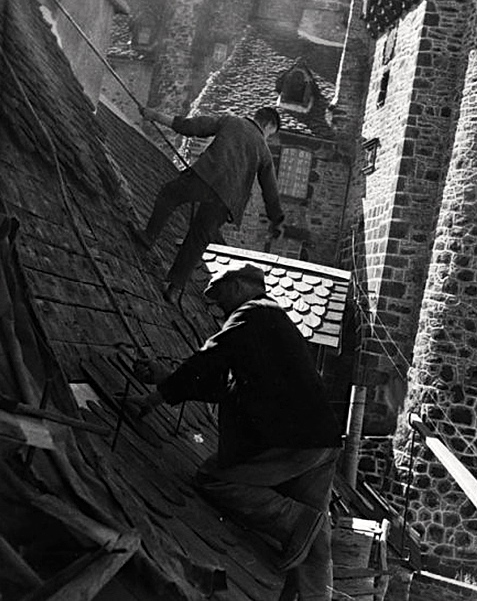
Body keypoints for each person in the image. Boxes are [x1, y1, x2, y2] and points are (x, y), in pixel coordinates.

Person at [131, 263, 343, 600]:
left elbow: (207, 362)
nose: (220, 307)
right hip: (321, 441)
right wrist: (164, 380)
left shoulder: (251, 314)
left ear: (240, 286)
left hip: (292, 443)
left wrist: (156, 397)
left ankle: (294, 521)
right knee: (316, 539)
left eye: (221, 295)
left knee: (215, 478)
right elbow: (225, 386)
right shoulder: (273, 321)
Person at [129, 106, 285, 304]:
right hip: (227, 201)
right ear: (269, 125)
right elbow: (270, 189)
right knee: (199, 238)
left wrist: (155, 116)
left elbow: (193, 126)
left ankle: (148, 236)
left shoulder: (231, 121)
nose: (269, 136)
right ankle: (174, 287)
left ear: (257, 116)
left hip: (204, 178)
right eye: (272, 132)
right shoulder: (264, 151)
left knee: (169, 194)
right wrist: (277, 220)